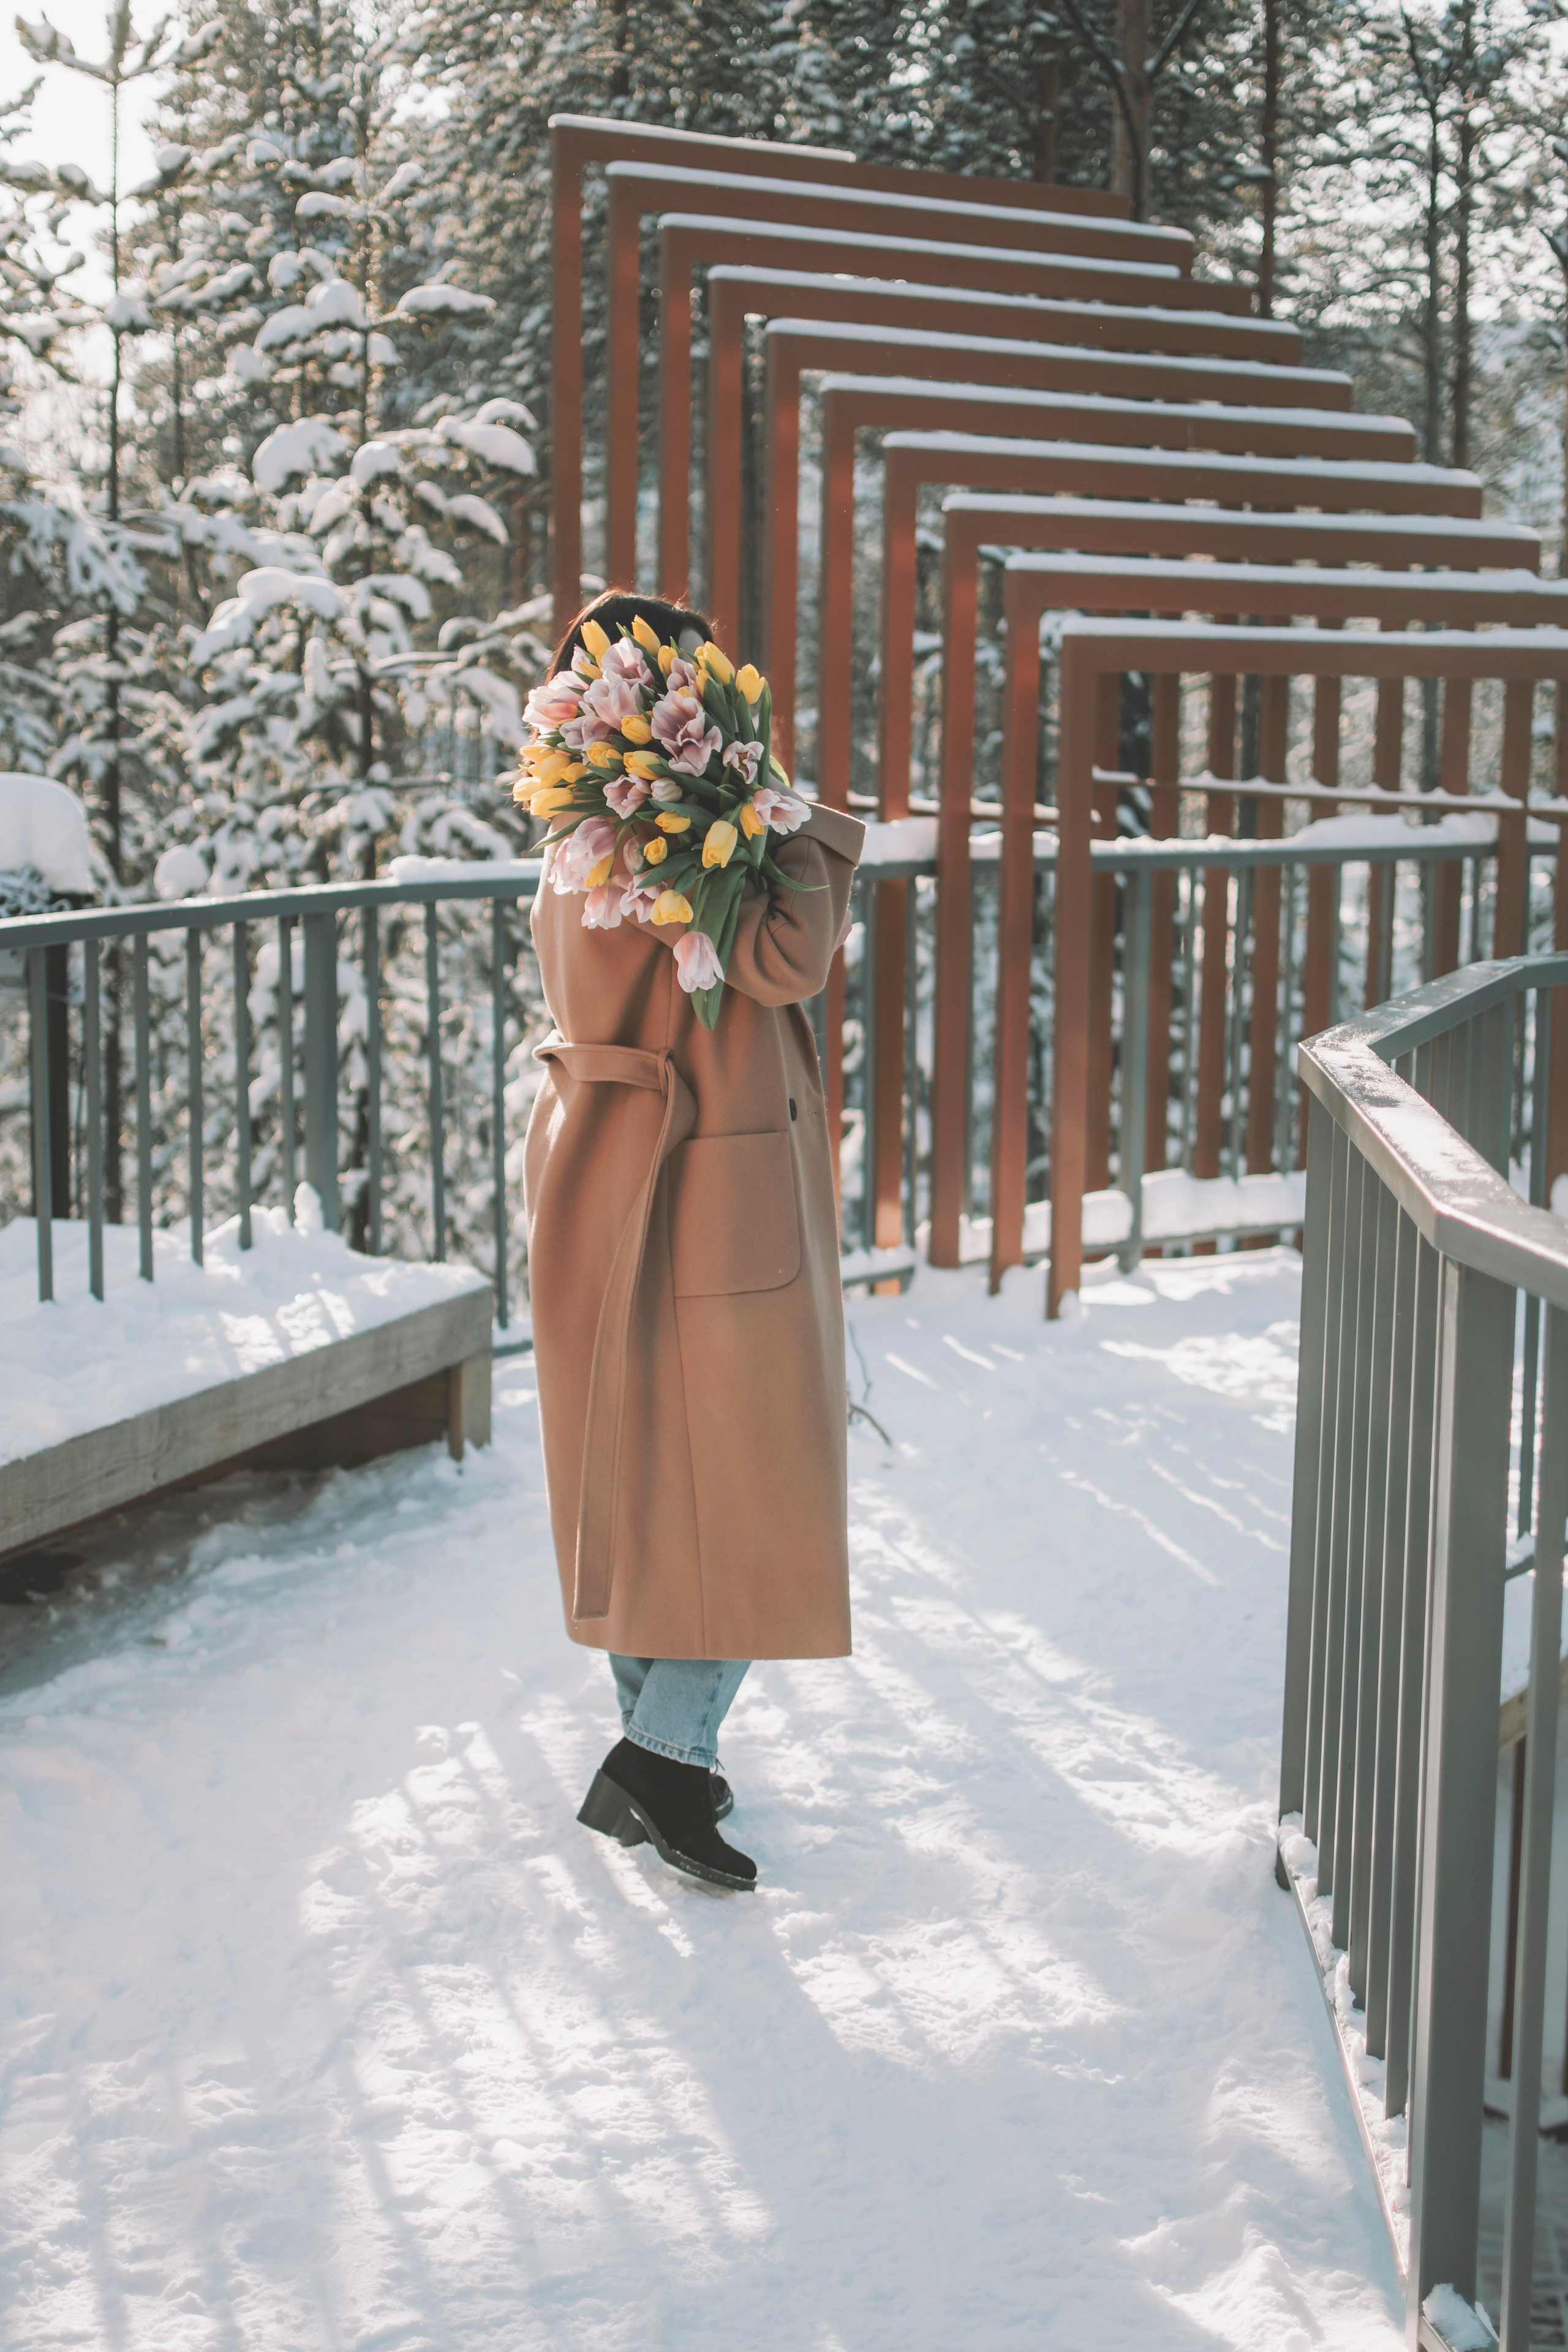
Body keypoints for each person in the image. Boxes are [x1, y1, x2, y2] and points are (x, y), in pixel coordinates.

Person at [522, 590, 865, 1892]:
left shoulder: (576, 830)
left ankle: (667, 1752)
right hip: (702, 1172)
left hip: (604, 1164)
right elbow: (784, 959)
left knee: (646, 1473)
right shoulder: (688, 835)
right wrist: (792, 816)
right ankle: (661, 1761)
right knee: (753, 1474)